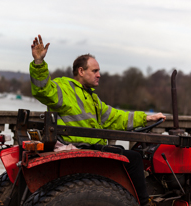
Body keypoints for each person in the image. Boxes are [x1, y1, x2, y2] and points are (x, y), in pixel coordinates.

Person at [29, 34, 166, 206]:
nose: (99, 75)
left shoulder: (90, 97)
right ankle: (144, 204)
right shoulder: (65, 88)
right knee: (135, 159)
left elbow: (116, 117)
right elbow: (43, 90)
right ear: (81, 71)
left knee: (121, 151)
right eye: (95, 71)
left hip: (88, 145)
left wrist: (147, 118)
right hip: (81, 147)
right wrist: (39, 63)